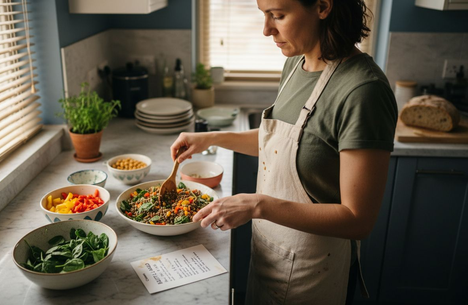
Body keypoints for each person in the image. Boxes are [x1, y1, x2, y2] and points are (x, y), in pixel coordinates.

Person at [170, 0, 397, 304]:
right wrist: (211, 138)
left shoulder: (363, 92)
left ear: (323, 6)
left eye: (277, 15)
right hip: (269, 257)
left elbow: (358, 220)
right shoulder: (295, 64)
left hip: (315, 273)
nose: (266, 30)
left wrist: (258, 205)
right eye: (264, 15)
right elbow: (283, 145)